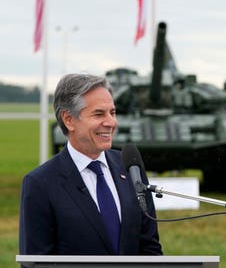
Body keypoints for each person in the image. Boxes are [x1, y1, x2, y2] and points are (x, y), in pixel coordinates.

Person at [19, 73, 162, 258]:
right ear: (69, 119)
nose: (111, 122)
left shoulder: (130, 167)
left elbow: (150, 249)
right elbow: (36, 261)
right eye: (99, 114)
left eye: (113, 112)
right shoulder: (39, 183)